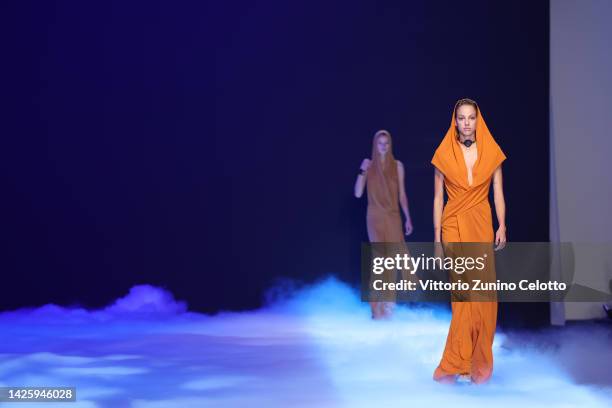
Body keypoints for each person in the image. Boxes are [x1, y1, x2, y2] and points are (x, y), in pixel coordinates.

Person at [431, 98, 507, 384]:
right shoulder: (443, 152)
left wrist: (503, 224)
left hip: (481, 224)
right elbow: (438, 197)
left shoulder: (491, 151)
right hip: (453, 226)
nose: (466, 123)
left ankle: (479, 365)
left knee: (484, 298)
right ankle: (452, 365)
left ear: (478, 120)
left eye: (470, 118)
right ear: (455, 121)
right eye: (461, 118)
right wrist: (437, 237)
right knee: (463, 298)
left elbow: (498, 190)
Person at [355, 129, 413, 319]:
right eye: (380, 143)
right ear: (375, 145)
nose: (383, 146)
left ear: (390, 145)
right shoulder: (369, 166)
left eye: (386, 143)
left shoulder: (398, 166)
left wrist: (408, 217)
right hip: (375, 217)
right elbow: (357, 193)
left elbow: (402, 194)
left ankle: (387, 307)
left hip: (393, 217)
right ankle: (375, 308)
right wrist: (362, 170)